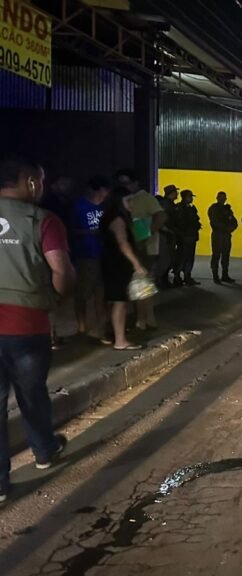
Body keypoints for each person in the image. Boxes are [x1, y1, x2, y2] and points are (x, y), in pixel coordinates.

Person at [0, 156, 73, 502]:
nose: (41, 188)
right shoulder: (43, 221)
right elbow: (61, 271)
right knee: (32, 394)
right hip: (26, 325)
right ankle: (44, 450)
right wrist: (56, 300)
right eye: (40, 182)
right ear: (29, 182)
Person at [100, 186, 149, 351]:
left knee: (118, 302)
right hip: (117, 265)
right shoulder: (118, 219)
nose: (131, 203)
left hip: (113, 263)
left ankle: (116, 335)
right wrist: (136, 263)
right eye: (128, 200)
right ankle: (120, 340)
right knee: (119, 302)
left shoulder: (113, 217)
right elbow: (123, 243)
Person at [115, 169, 164, 330]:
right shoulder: (122, 199)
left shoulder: (145, 198)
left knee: (144, 284)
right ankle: (142, 319)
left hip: (144, 249)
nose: (125, 186)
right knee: (136, 285)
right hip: (130, 248)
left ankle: (145, 319)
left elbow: (160, 216)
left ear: (136, 183)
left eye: (127, 182)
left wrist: (148, 236)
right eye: (121, 182)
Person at [70, 177, 110, 341]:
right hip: (86, 255)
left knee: (101, 294)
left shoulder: (106, 207)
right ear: (98, 190)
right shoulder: (79, 206)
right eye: (105, 190)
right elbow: (71, 230)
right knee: (83, 293)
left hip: (104, 255)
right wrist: (89, 233)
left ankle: (101, 329)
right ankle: (82, 327)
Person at [39, 176, 75, 351]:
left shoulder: (60, 202)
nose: (68, 186)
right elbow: (61, 271)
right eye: (65, 183)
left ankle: (52, 334)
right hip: (51, 253)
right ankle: (51, 336)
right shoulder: (49, 208)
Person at [172, 190, 202, 286]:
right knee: (181, 257)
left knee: (189, 257)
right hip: (184, 237)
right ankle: (177, 277)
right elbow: (178, 223)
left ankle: (187, 276)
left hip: (191, 236)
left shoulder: (191, 208)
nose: (191, 198)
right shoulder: (179, 208)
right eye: (190, 196)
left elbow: (195, 221)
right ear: (184, 197)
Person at [208, 191, 238, 284]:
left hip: (226, 235)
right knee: (216, 255)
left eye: (224, 197)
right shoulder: (213, 208)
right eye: (221, 197)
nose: (223, 199)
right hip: (218, 234)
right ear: (217, 198)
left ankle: (225, 275)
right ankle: (215, 276)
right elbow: (214, 222)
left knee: (226, 256)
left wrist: (231, 228)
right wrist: (227, 229)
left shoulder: (227, 208)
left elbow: (234, 221)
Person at [155, 184, 179, 289]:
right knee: (164, 260)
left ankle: (164, 281)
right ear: (172, 193)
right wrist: (168, 232)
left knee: (169, 259)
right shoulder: (166, 204)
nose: (177, 194)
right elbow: (161, 220)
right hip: (165, 235)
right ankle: (159, 282)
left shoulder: (170, 204)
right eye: (175, 192)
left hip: (169, 234)